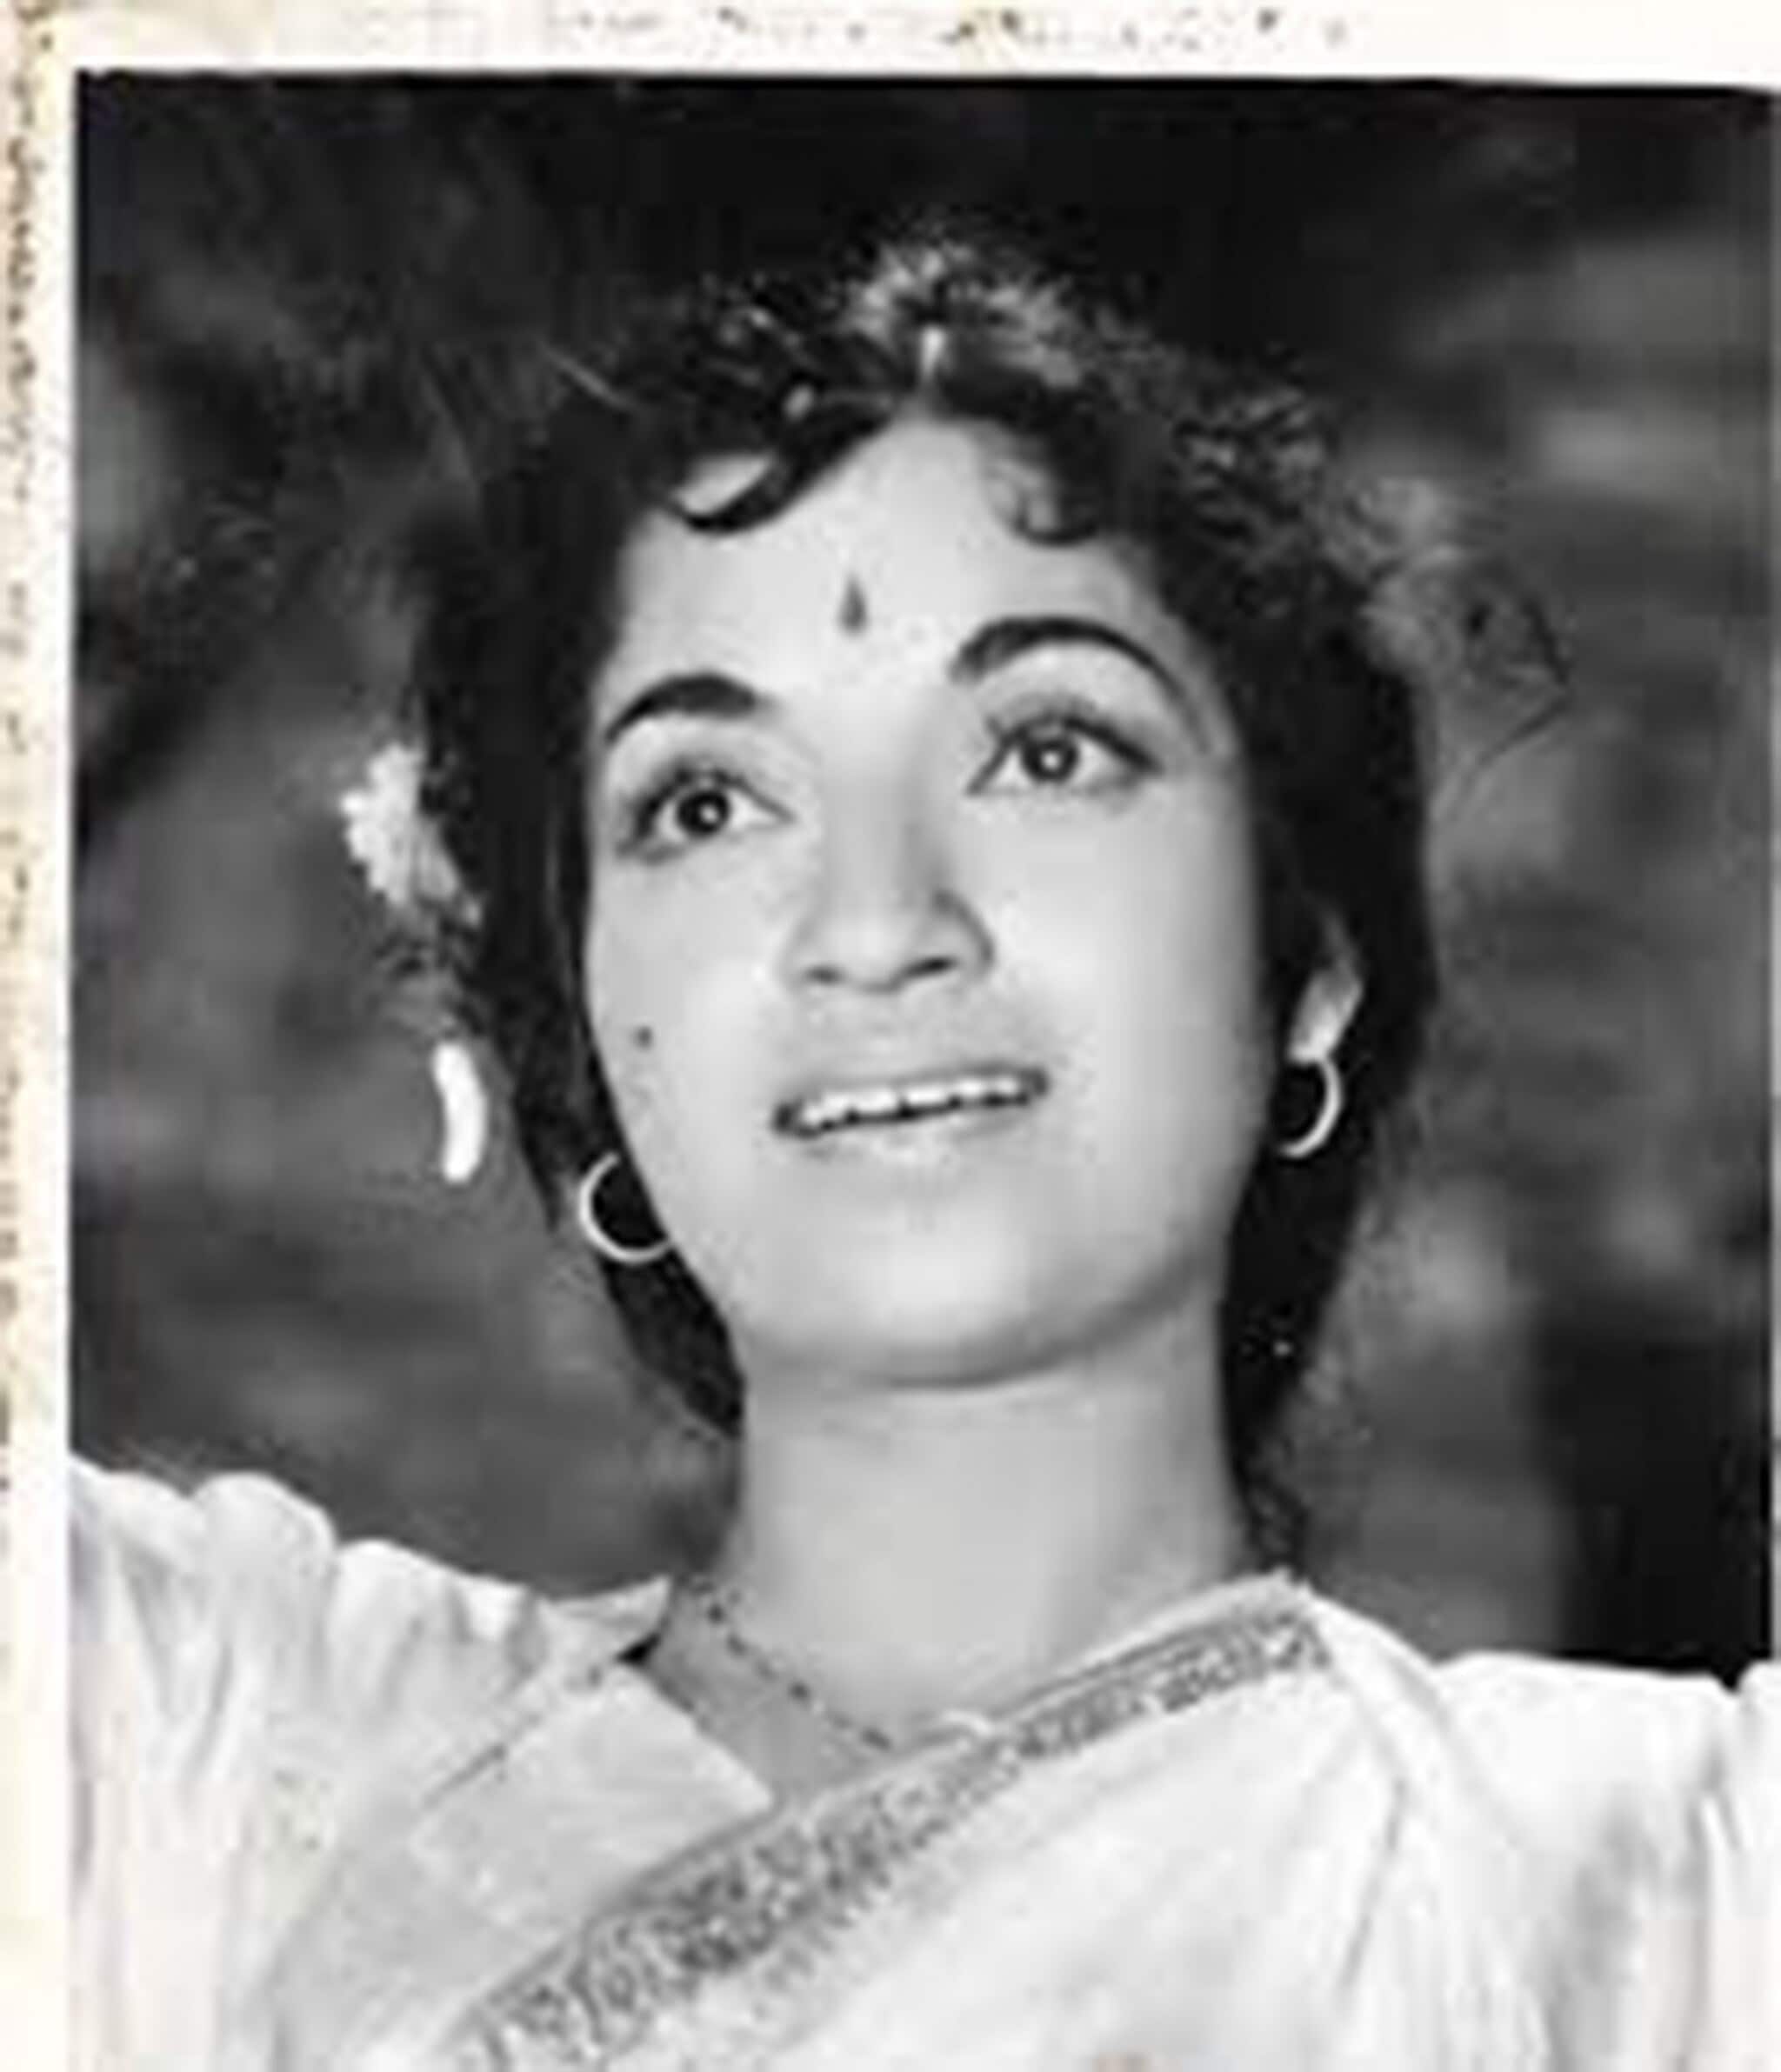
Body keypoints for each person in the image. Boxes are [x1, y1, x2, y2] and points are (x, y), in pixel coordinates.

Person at [70, 228, 1772, 2070]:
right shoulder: (216, 1752)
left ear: (1306, 964)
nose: (876, 924)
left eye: (1045, 751)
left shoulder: (1651, 1888)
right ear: (583, 1020)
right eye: (704, 802)